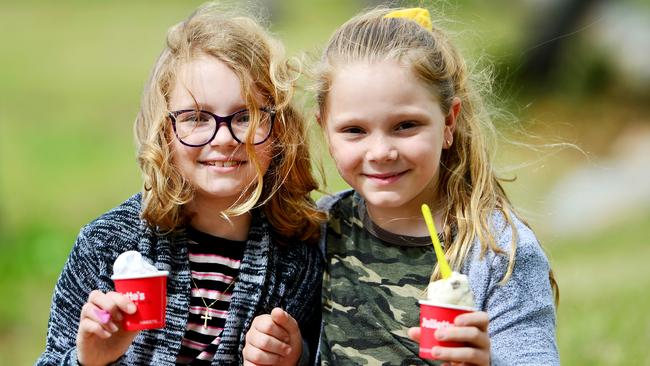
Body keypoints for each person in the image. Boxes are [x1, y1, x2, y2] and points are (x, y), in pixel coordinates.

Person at [247, 6, 560, 366]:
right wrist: (293, 355)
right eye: (354, 131)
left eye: (405, 125)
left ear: (448, 122)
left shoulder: (499, 253)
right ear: (326, 132)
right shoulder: (322, 230)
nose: (381, 152)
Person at [36, 3, 324, 365]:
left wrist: (295, 357)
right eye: (197, 118)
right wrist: (89, 360)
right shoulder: (105, 245)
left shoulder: (297, 260)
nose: (223, 138)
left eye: (246, 115)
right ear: (164, 132)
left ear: (279, 127)